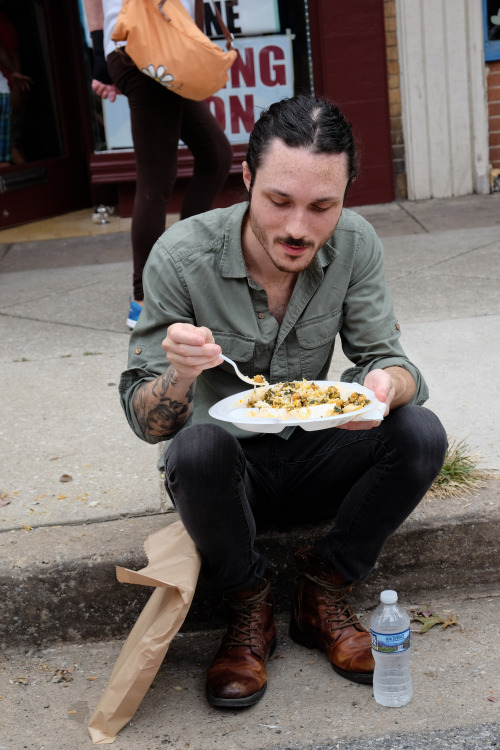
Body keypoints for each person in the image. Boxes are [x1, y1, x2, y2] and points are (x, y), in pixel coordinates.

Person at [119, 94, 447, 708]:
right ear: (246, 179)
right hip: (226, 479)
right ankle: (249, 605)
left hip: (316, 457)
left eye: (323, 205)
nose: (299, 228)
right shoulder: (182, 256)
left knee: (420, 432)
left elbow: (391, 361)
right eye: (278, 201)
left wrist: (383, 389)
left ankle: (322, 589)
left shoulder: (355, 244)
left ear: (346, 194)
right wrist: (181, 377)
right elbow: (146, 416)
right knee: (195, 448)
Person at [83, 0, 233, 329]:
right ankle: (144, 299)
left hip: (161, 47)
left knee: (216, 156)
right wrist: (101, 52)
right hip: (146, 46)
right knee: (156, 181)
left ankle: (186, 266)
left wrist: (103, 55)